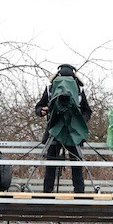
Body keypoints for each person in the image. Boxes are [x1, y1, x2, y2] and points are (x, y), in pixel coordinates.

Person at [36, 64, 92, 194]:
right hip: (56, 130)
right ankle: (77, 193)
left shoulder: (78, 90)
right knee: (56, 163)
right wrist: (42, 111)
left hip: (69, 132)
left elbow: (86, 111)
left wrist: (79, 120)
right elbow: (39, 107)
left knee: (72, 164)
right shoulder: (51, 89)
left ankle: (52, 192)